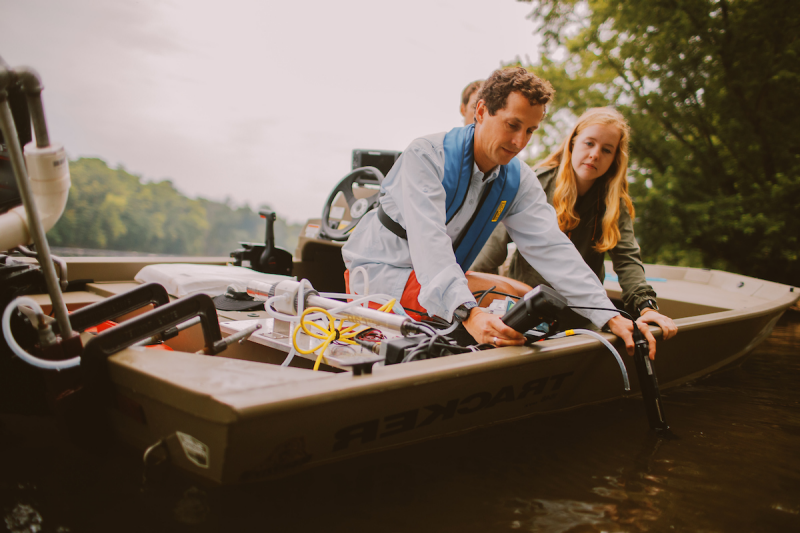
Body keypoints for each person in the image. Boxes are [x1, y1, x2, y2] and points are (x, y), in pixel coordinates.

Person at [342, 68, 658, 358]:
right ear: (481, 111)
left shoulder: (518, 179)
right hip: (381, 277)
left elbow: (554, 250)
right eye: (512, 125)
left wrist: (609, 315)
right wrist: (469, 313)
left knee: (521, 302)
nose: (520, 142)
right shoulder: (425, 157)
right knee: (498, 304)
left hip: (435, 281)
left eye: (530, 131)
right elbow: (430, 248)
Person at [470, 107, 677, 340]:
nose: (595, 154)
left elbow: (628, 261)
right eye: (589, 143)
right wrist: (483, 311)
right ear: (572, 143)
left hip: (584, 321)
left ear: (614, 159)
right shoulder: (533, 185)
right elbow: (487, 257)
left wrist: (646, 306)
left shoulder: (612, 202)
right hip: (528, 314)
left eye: (606, 150)